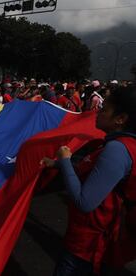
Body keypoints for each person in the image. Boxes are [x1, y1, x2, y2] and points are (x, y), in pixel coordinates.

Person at [41, 86, 136, 275]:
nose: (98, 112)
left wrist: (65, 160)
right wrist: (58, 164)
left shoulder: (117, 150)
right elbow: (96, 172)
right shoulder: (122, 144)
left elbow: (84, 202)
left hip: (88, 247)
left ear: (120, 119)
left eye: (104, 109)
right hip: (93, 242)